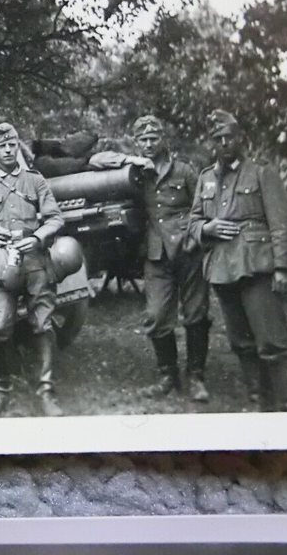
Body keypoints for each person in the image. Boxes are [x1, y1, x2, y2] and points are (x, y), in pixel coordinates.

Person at [187, 109, 287, 411]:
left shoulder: (261, 172)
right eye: (217, 139)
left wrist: (284, 267)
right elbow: (194, 220)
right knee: (241, 342)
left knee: (272, 340)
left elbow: (282, 222)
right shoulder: (205, 178)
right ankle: (258, 400)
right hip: (222, 268)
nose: (223, 143)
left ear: (241, 139)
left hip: (257, 266)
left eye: (228, 137)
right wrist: (206, 228)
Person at [90, 115, 210, 402]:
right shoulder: (136, 171)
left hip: (188, 251)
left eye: (152, 139)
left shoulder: (185, 171)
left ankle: (196, 377)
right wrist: (128, 159)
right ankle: (167, 376)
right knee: (156, 316)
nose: (147, 144)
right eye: (142, 140)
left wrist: (193, 238)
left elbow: (202, 209)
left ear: (163, 140)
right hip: (156, 254)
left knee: (196, 314)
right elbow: (96, 161)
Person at [0, 122, 66, 417]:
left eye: (11, 145)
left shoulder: (35, 180)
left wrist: (37, 238)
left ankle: (46, 391)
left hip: (34, 262)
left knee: (43, 323)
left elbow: (56, 218)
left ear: (17, 146)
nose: (7, 150)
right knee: (0, 327)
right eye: (1, 147)